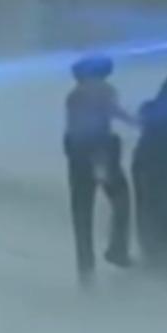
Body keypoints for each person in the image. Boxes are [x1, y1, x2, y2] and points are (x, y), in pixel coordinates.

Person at [63, 53, 138, 286]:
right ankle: (117, 249)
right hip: (101, 150)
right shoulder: (103, 90)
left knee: (81, 211)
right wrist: (137, 121)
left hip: (77, 153)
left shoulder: (74, 94)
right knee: (121, 199)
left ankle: (85, 269)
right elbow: (112, 112)